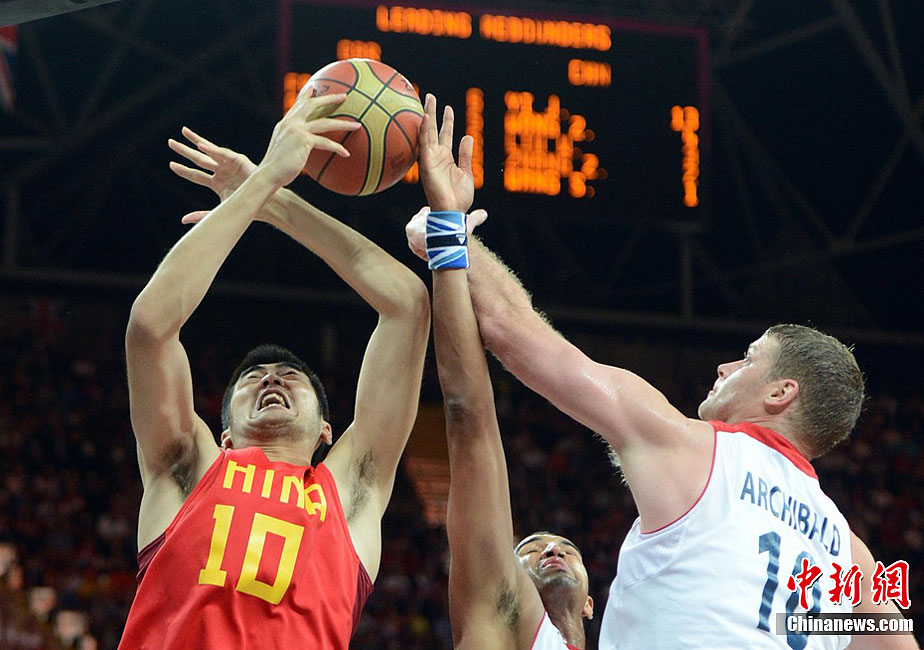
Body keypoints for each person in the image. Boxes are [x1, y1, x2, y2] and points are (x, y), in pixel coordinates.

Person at [406, 100, 918, 649]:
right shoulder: (848, 553)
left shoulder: (689, 447)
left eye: (748, 359)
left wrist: (450, 234)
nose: (725, 367)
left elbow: (518, 336)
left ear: (780, 392)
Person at [119, 88, 431, 648]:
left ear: (327, 431)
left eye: (292, 378)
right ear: (223, 434)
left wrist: (272, 202)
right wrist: (262, 181)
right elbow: (149, 328)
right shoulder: (188, 468)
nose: (270, 377)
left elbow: (407, 304)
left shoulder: (351, 492)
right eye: (251, 379)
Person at [419, 94, 592, 649]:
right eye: (530, 550)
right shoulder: (500, 610)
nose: (551, 549)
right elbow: (467, 415)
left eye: (564, 548)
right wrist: (447, 229)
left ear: (593, 602)